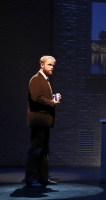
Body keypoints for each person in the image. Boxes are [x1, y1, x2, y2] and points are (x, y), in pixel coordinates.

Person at [25, 56, 61, 187]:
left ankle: (43, 178)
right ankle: (31, 179)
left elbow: (41, 97)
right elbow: (36, 99)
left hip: (44, 122)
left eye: (53, 65)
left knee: (44, 151)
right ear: (42, 65)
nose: (52, 67)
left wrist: (51, 97)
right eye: (50, 65)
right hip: (39, 121)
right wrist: (52, 102)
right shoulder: (36, 79)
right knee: (35, 150)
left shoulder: (45, 80)